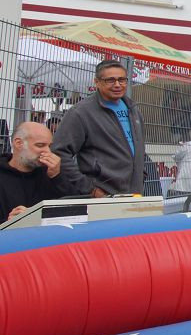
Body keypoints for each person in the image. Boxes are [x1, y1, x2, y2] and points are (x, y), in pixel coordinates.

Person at [52, 60, 146, 197]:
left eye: (122, 80)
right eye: (110, 80)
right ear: (97, 82)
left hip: (134, 194)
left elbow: (139, 147)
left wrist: (141, 174)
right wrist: (89, 189)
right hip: (102, 196)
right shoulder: (81, 112)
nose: (117, 85)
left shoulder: (133, 110)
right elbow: (59, 153)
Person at [1, 121, 63, 221]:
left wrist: (57, 177)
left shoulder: (48, 173)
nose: (48, 151)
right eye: (40, 145)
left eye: (49, 146)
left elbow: (70, 208)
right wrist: (9, 223)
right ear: (18, 143)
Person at [173, 124, 191, 192]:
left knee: (185, 198)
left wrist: (181, 146)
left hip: (187, 175)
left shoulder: (188, 145)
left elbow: (177, 156)